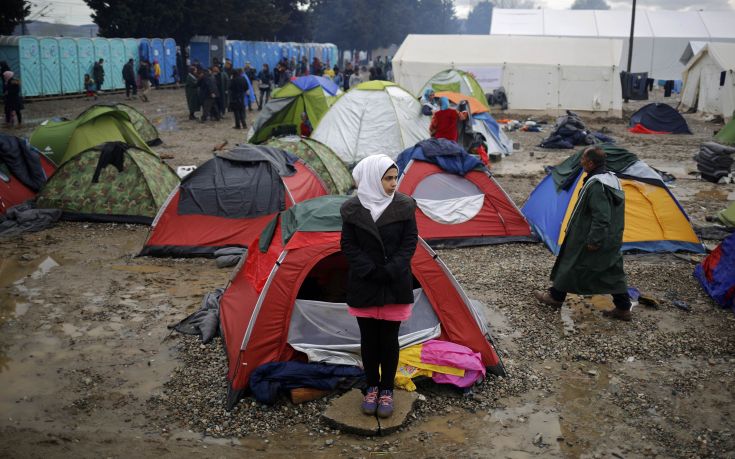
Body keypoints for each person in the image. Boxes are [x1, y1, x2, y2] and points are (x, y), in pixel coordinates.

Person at [340, 154, 418, 419]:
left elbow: (409, 242)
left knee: (389, 339)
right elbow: (348, 245)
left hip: (394, 283)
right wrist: (369, 270)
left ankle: (387, 390)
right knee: (369, 340)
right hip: (365, 283)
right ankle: (371, 386)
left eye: (395, 177)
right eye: (387, 178)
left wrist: (391, 269)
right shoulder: (352, 209)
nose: (394, 183)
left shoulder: (405, 206)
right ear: (372, 178)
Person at [534, 146, 632, 321]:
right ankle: (623, 308)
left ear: (592, 163)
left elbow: (602, 216)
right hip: (610, 237)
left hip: (592, 235)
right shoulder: (611, 179)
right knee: (611, 271)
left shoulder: (597, 185)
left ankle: (555, 297)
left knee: (572, 263)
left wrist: (594, 239)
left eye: (583, 160)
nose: (581, 162)